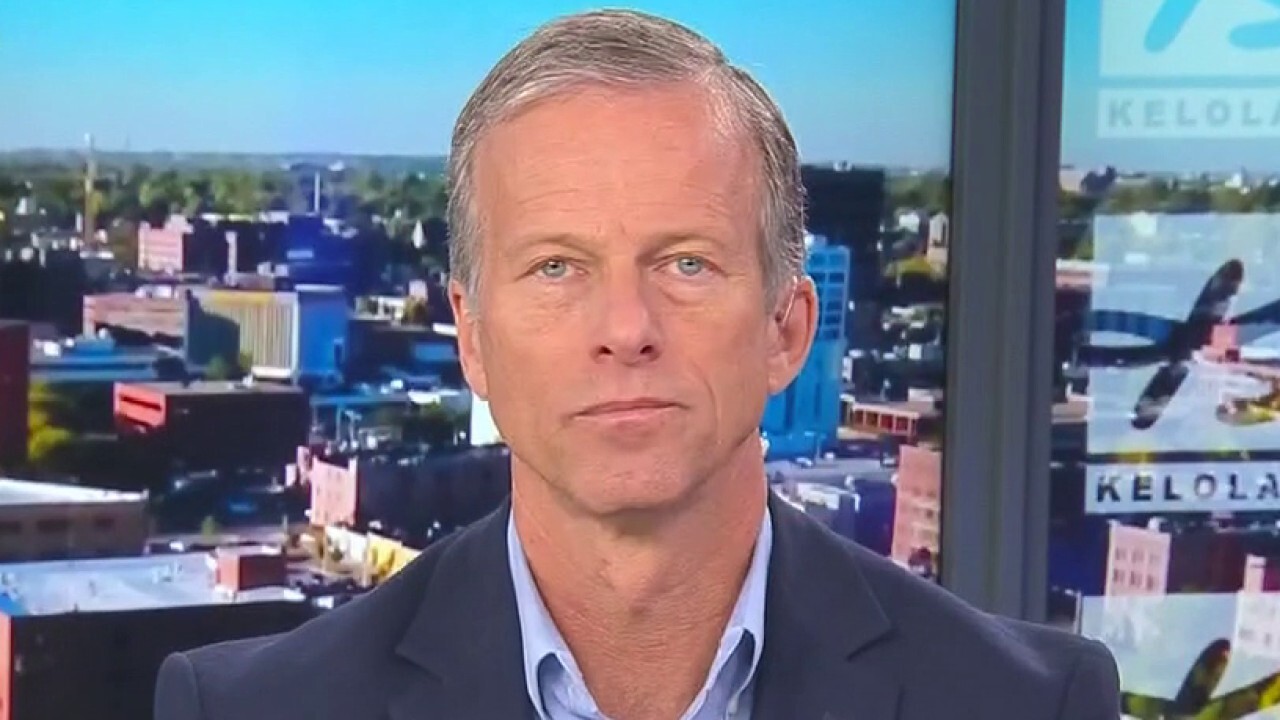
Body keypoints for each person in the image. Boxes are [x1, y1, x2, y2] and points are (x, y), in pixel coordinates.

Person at [155, 9, 1121, 720]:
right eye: (557, 267)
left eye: (686, 263)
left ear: (788, 330)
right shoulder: (254, 710)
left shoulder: (1024, 705)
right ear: (472, 338)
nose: (625, 328)